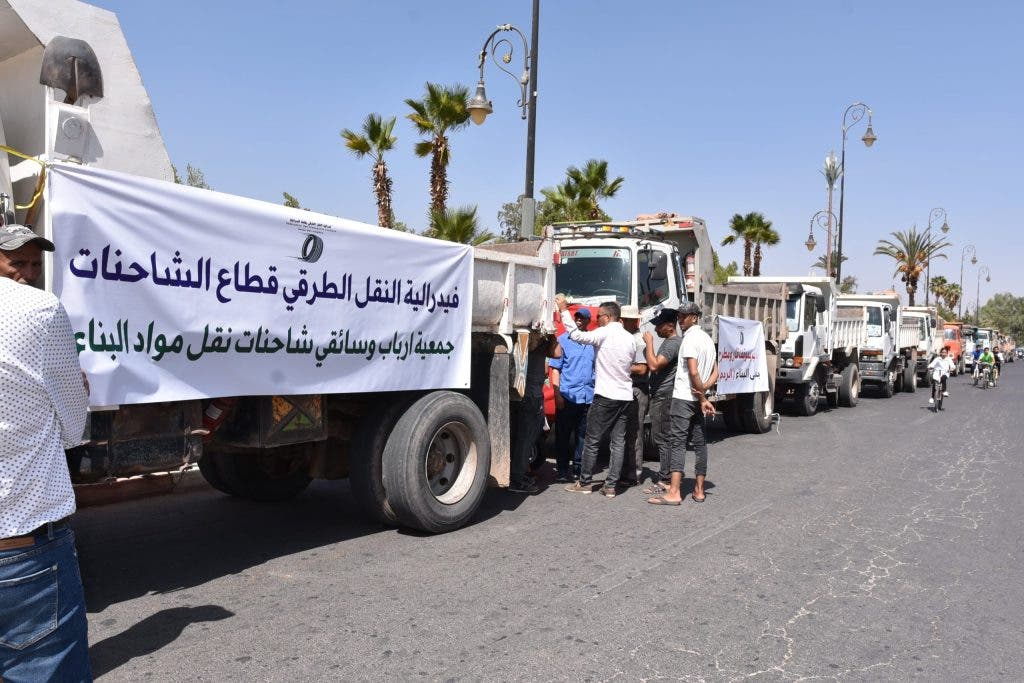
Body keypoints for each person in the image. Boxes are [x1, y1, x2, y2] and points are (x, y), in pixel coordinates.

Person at [1, 225, 93, 681]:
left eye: (35, 264)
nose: (28, 273)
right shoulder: (39, 311)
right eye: (16, 262)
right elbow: (74, 428)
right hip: (21, 546)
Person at [556, 294, 636, 498]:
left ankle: (585, 482)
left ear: (608, 317)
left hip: (605, 394)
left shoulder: (604, 333)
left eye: (599, 316)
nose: (596, 319)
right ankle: (610, 486)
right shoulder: (630, 338)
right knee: (618, 442)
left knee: (592, 440)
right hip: (625, 396)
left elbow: (576, 335)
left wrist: (564, 310)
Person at [649, 302, 716, 506]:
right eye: (679, 316)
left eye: (684, 316)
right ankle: (699, 490)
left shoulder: (689, 340)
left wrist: (701, 396)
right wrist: (703, 390)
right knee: (699, 442)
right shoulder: (707, 339)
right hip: (696, 398)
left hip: (684, 398)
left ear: (694, 317)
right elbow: (716, 372)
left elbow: (693, 370)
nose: (680, 319)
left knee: (677, 443)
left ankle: (675, 492)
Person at [509, 333, 559, 493]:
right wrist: (551, 337)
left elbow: (555, 354)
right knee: (525, 437)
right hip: (530, 395)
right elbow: (557, 353)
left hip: (523, 394)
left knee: (520, 436)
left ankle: (515, 474)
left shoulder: (530, 339)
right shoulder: (537, 340)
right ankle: (517, 478)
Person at [549, 308, 596, 483]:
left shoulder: (593, 342)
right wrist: (557, 395)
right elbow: (555, 369)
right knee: (563, 435)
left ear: (588, 321)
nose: (578, 320)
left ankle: (578, 468)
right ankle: (562, 470)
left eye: (582, 318)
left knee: (583, 436)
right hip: (568, 396)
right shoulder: (563, 340)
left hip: (587, 397)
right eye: (576, 317)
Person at [640, 308, 682, 492]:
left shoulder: (672, 344)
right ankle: (666, 476)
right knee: (662, 437)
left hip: (665, 396)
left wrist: (649, 344)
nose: (656, 330)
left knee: (663, 438)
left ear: (670, 326)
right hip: (662, 394)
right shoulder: (669, 342)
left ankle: (665, 480)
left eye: (659, 326)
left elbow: (655, 365)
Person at [621, 306, 649, 487]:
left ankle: (634, 473)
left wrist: (620, 366)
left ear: (634, 321)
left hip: (637, 389)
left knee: (635, 433)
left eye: (626, 319)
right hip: (626, 388)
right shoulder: (627, 337)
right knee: (623, 433)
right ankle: (625, 471)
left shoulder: (638, 341)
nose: (622, 322)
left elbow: (642, 368)